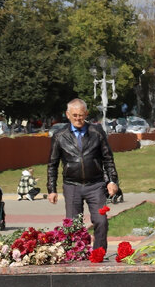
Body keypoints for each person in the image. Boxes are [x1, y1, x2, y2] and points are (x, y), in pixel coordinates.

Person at [47, 98, 119, 251]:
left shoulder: (97, 132)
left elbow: (108, 158)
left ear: (86, 114)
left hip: (96, 185)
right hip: (72, 186)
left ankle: (99, 252)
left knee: (101, 221)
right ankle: (78, 254)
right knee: (73, 224)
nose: (78, 119)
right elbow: (52, 164)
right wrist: (51, 189)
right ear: (67, 115)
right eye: (74, 115)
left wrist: (112, 181)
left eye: (81, 115)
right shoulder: (59, 136)